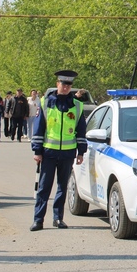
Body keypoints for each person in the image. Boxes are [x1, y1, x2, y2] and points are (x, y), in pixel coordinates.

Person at [30, 70, 87, 231]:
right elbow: (39, 128)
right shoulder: (45, 102)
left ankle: (58, 218)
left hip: (68, 153)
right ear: (57, 84)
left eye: (69, 85)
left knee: (63, 187)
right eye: (63, 84)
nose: (66, 87)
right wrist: (37, 151)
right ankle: (38, 219)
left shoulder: (77, 105)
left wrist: (81, 152)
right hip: (48, 152)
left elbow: (81, 131)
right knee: (44, 188)